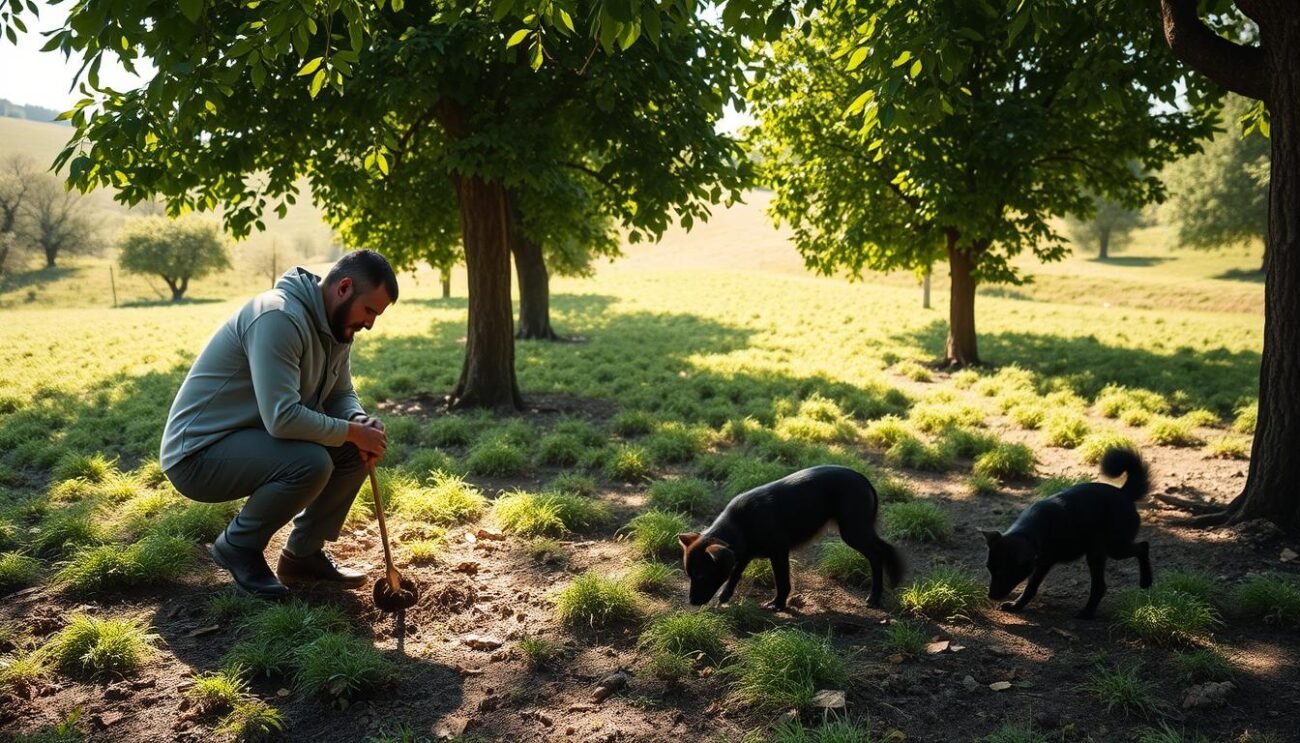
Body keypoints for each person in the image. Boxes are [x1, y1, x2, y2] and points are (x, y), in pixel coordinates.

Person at [160, 250, 397, 598]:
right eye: (370, 310)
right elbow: (282, 418)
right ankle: (238, 545)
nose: (370, 323)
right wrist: (350, 431)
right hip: (197, 455)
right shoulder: (278, 317)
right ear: (344, 288)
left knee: (353, 449)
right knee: (311, 463)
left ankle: (302, 556)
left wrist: (358, 422)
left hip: (252, 439)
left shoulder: (336, 326)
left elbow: (340, 394)